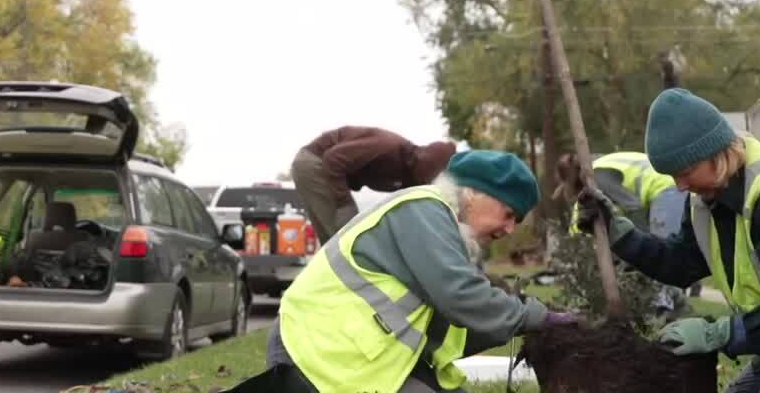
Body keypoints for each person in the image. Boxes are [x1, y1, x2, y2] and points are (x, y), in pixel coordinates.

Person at [242, 150, 576, 393]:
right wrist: (537, 317)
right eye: (508, 213)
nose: (509, 229)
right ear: (474, 193)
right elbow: (460, 296)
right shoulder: (423, 211)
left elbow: (453, 329)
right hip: (316, 352)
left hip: (358, 356)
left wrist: (520, 320)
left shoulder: (444, 236)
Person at [579, 89, 760, 392]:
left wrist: (721, 333)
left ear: (714, 153)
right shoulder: (707, 199)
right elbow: (680, 264)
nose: (678, 186)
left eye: (685, 172)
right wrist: (620, 235)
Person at [564, 150, 691, 313]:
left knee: (661, 254)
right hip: (668, 185)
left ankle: (663, 309)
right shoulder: (602, 169)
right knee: (663, 256)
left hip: (666, 187)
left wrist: (640, 243)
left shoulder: (595, 176)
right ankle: (676, 308)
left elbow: (633, 206)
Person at [291, 126, 457, 242]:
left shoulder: (410, 176)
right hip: (315, 163)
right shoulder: (388, 146)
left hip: (320, 168)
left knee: (334, 240)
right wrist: (344, 203)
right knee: (344, 239)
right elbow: (333, 159)